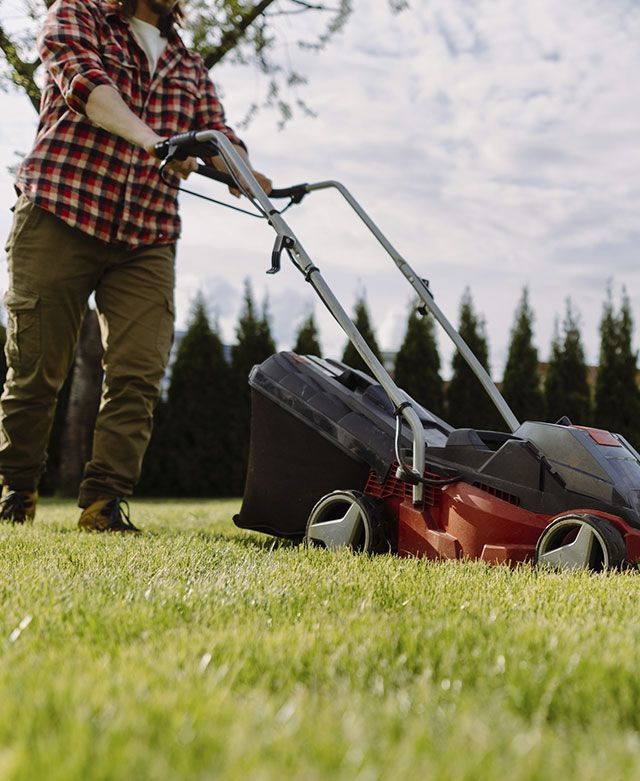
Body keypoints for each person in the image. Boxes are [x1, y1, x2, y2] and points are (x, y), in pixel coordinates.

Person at [0, 0, 271, 531]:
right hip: (60, 211)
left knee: (138, 372)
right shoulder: (75, 16)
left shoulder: (186, 64)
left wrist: (246, 171)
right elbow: (85, 86)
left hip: (146, 234)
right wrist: (154, 139)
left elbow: (215, 131)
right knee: (36, 369)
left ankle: (104, 502)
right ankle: (15, 490)